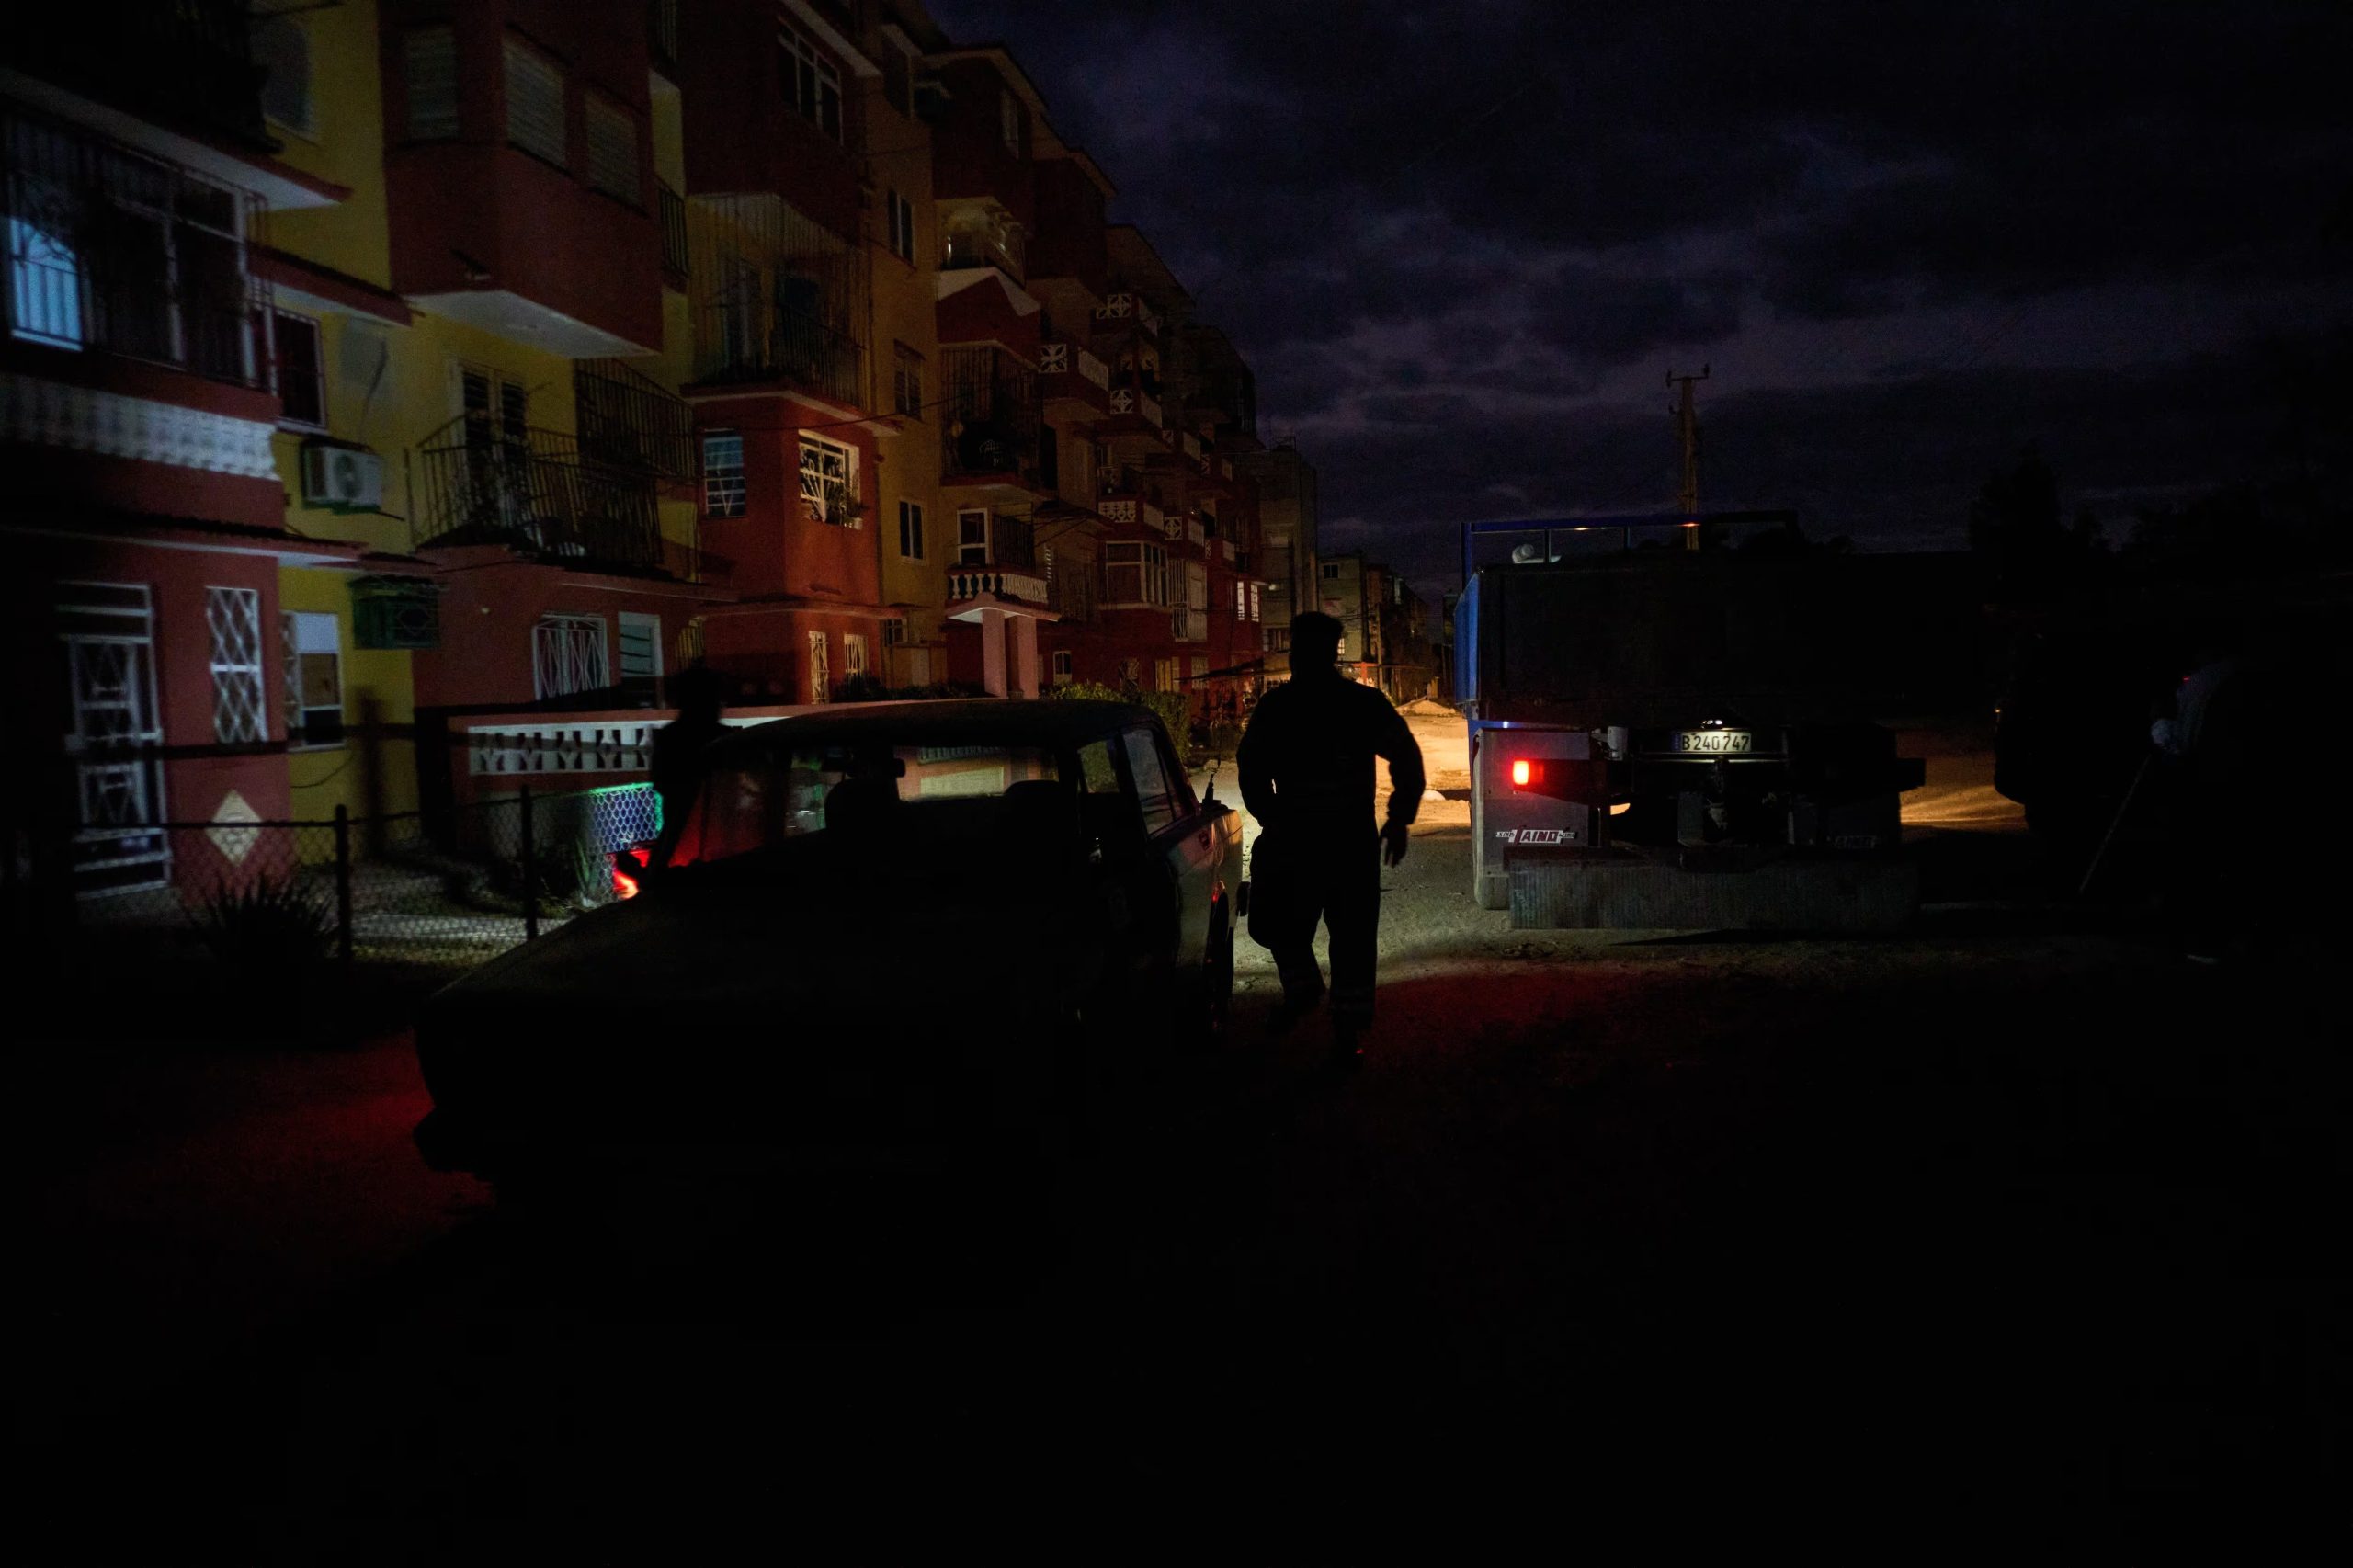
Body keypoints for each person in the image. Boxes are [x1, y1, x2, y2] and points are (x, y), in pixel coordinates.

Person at [1237, 610, 1425, 1058]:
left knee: (1283, 925)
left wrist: (1273, 818)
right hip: (1346, 846)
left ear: (1299, 654)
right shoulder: (1360, 704)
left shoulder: (1280, 707)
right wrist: (1397, 820)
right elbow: (1407, 758)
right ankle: (1344, 1028)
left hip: (1300, 844)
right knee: (1349, 940)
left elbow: (1251, 770)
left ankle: (1319, 1007)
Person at [649, 663, 729, 873]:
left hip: (683, 840)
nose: (720, 706)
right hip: (711, 839)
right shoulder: (724, 740)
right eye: (715, 699)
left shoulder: (669, 737)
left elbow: (661, 782)